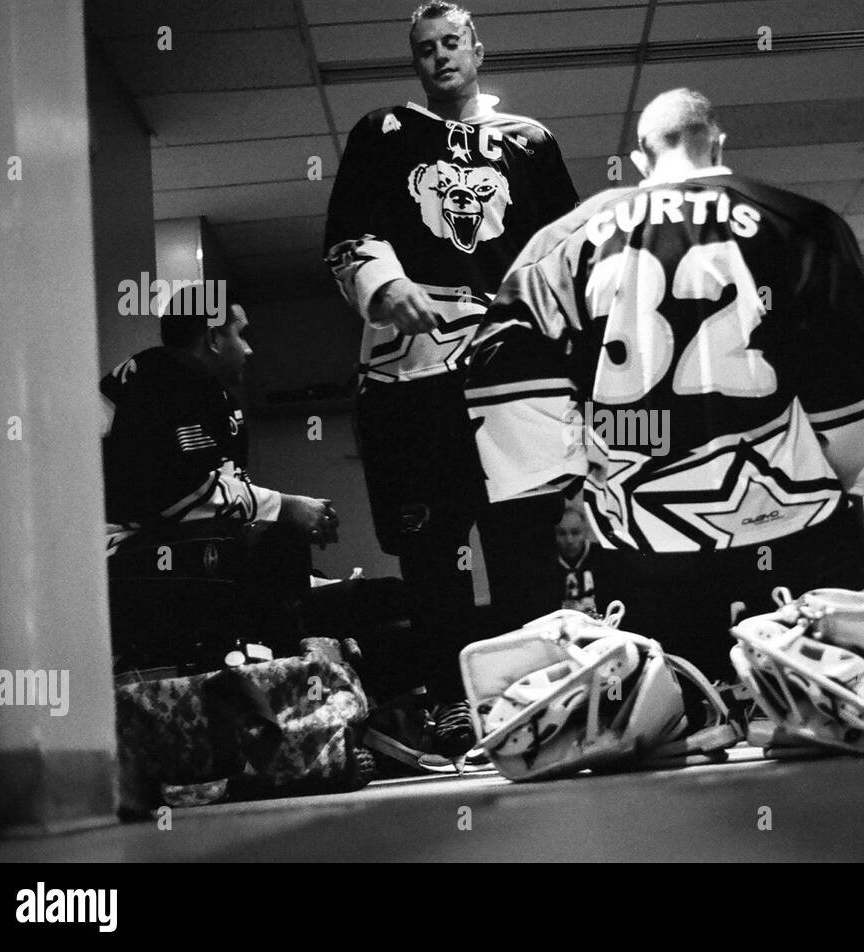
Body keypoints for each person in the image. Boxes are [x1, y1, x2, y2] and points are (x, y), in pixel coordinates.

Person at [462, 88, 864, 679]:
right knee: (831, 711)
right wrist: (834, 478)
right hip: (790, 527)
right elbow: (855, 394)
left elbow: (503, 373)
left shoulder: (565, 241)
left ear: (641, 159)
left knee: (666, 723)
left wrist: (576, 466)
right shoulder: (801, 223)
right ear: (718, 143)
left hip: (641, 540)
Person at [322, 2, 579, 759]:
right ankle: (448, 704)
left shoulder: (530, 143)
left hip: (516, 373)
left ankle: (539, 694)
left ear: (477, 49)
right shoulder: (382, 134)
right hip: (414, 375)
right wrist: (382, 285)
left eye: (451, 43)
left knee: (525, 548)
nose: (439, 57)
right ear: (416, 62)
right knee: (433, 553)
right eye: (425, 48)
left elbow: (568, 253)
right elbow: (345, 234)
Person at [101, 287, 339, 657]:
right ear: (212, 338)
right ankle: (270, 673)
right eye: (239, 334)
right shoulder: (168, 378)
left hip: (148, 543)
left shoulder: (196, 387)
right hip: (109, 552)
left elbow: (215, 488)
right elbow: (181, 496)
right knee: (274, 545)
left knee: (295, 567)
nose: (248, 349)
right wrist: (284, 507)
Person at [554, 507, 607, 616]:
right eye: (562, 533)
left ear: (585, 532)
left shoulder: (603, 557)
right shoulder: (547, 562)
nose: (569, 540)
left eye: (575, 532)